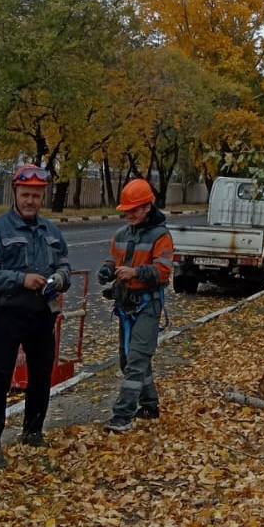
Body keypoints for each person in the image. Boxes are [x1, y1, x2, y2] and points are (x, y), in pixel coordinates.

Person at [0, 164, 71, 469]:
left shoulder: (51, 232)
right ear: (15, 193)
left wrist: (59, 280)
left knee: (41, 375)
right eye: (26, 194)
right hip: (8, 313)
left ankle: (33, 431)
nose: (31, 201)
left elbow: (65, 266)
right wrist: (20, 279)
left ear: (43, 197)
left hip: (43, 313)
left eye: (37, 196)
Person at [98, 179, 173, 433]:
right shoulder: (121, 235)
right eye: (126, 210)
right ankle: (149, 404)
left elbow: (163, 272)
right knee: (128, 359)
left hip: (147, 306)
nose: (129, 214)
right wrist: (107, 270)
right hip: (126, 305)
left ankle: (123, 416)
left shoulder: (161, 237)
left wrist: (135, 273)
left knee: (137, 360)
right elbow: (113, 258)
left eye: (134, 210)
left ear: (148, 207)